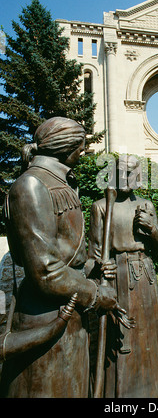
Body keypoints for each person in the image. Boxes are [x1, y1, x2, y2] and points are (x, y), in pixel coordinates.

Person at [0, 117, 121, 398]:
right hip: (45, 320)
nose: (83, 152)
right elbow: (46, 270)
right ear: (67, 147)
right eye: (81, 146)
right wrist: (95, 293)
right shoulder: (31, 186)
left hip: (69, 312)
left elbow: (66, 252)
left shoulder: (59, 182)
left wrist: (92, 265)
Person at [88, 154, 158, 398]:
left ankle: (155, 393)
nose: (125, 178)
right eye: (120, 172)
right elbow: (91, 258)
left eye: (130, 173)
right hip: (116, 280)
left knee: (148, 340)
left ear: (138, 177)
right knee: (120, 343)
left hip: (145, 278)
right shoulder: (101, 207)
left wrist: (153, 230)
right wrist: (100, 268)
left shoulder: (146, 205)